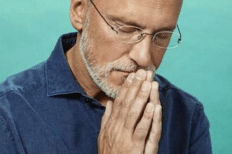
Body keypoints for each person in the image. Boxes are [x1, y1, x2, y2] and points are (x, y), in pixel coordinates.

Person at [0, 0, 212, 153]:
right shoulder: (7, 115)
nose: (144, 57)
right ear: (79, 11)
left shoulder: (188, 115)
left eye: (163, 35)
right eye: (126, 29)